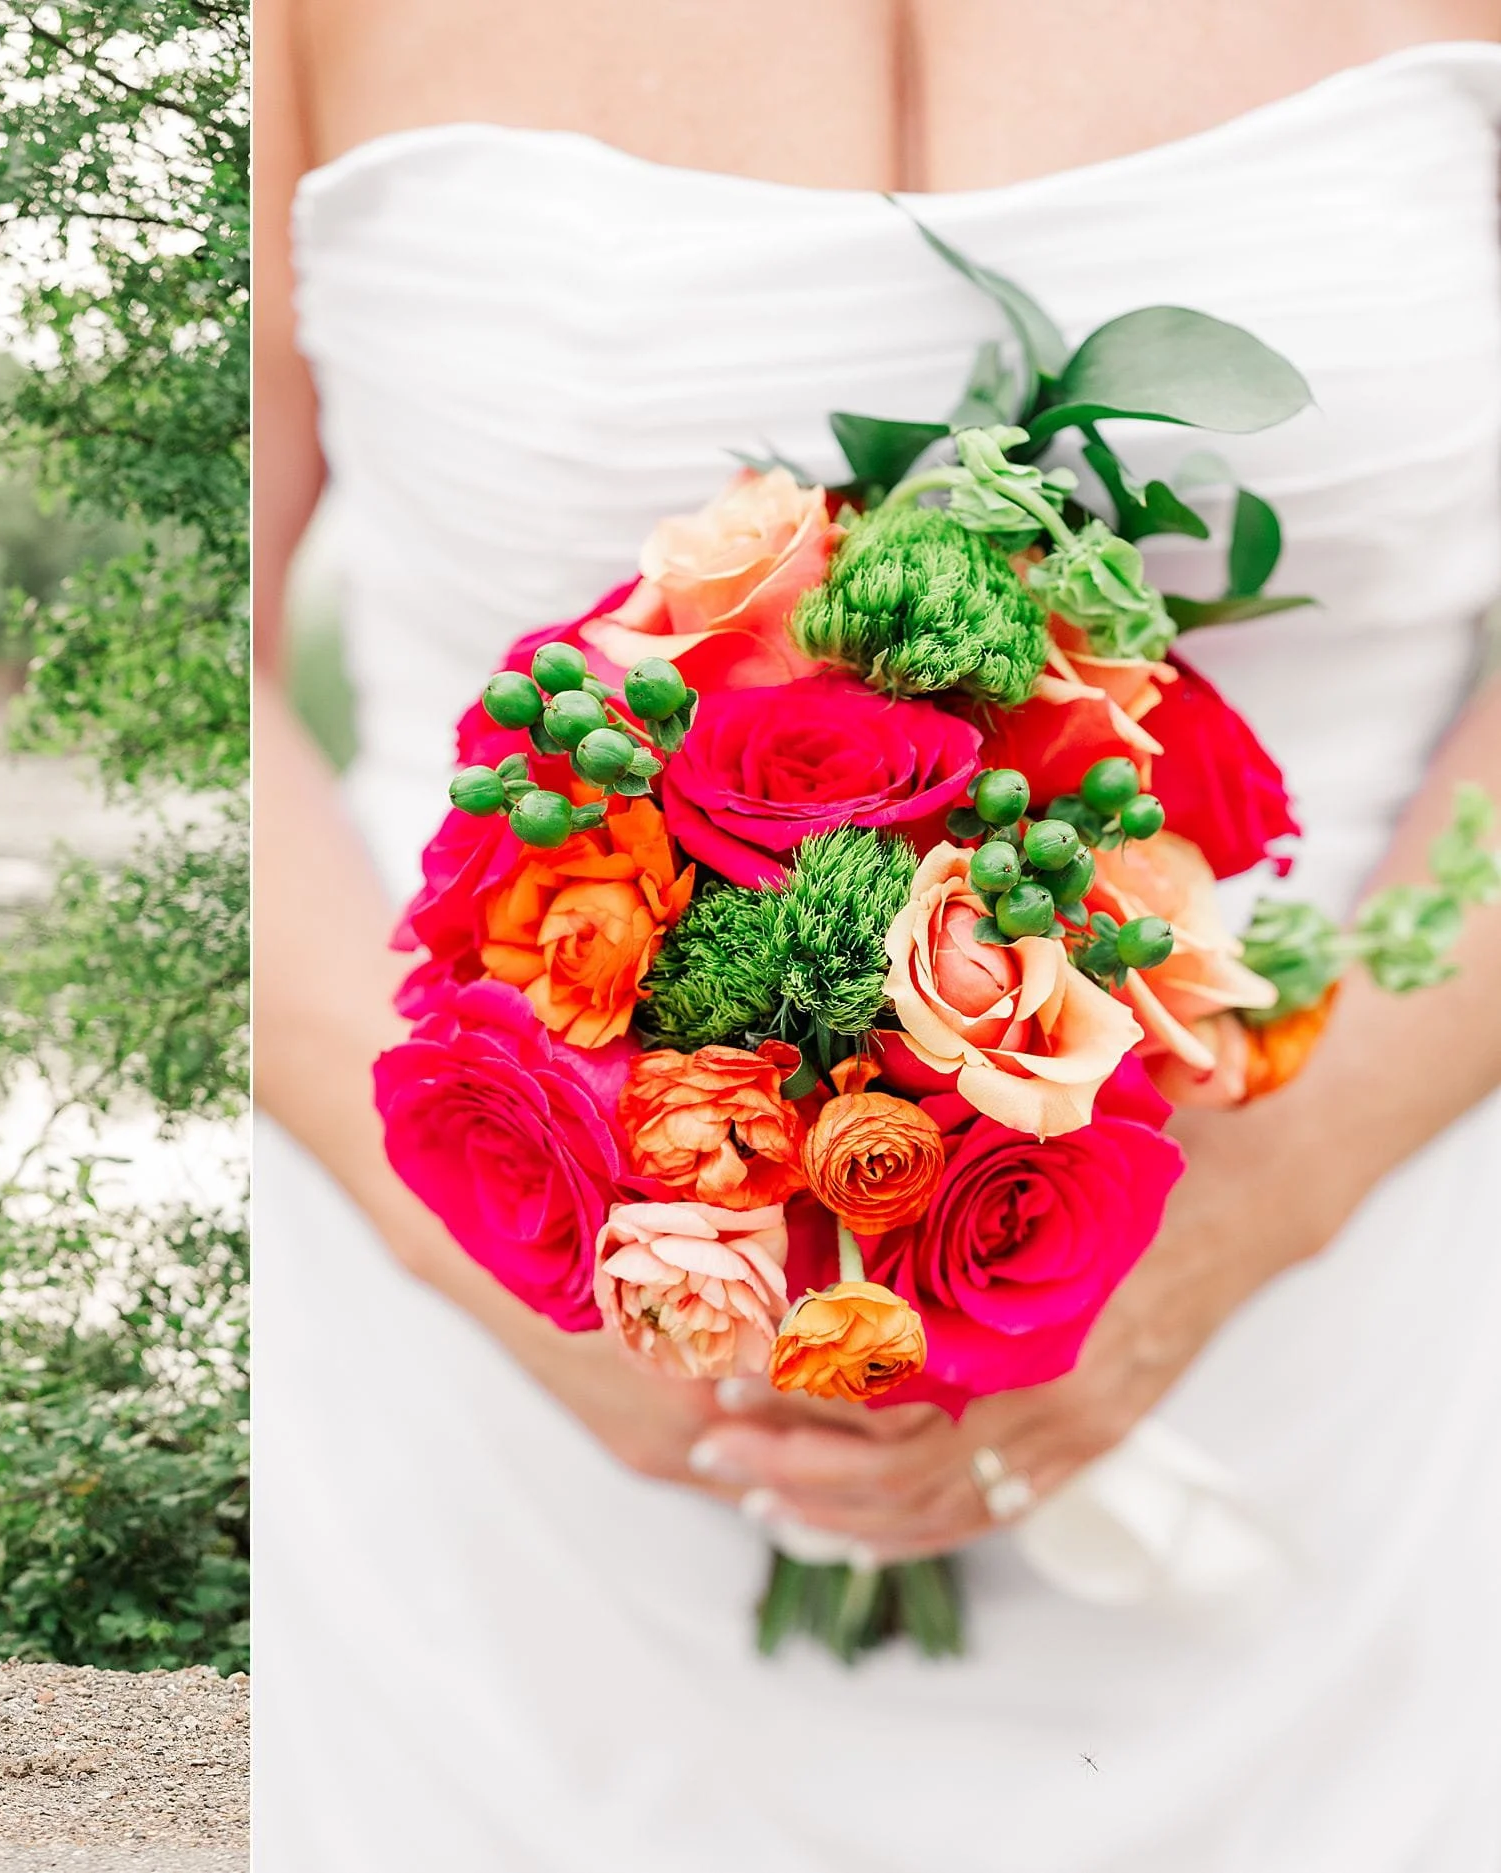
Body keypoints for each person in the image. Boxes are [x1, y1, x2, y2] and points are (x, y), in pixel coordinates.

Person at [253, 3, 1501, 1863]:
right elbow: (174, 659)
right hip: (504, 1428)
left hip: (1340, 1355)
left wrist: (1245, 1207)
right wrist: (507, 1237)